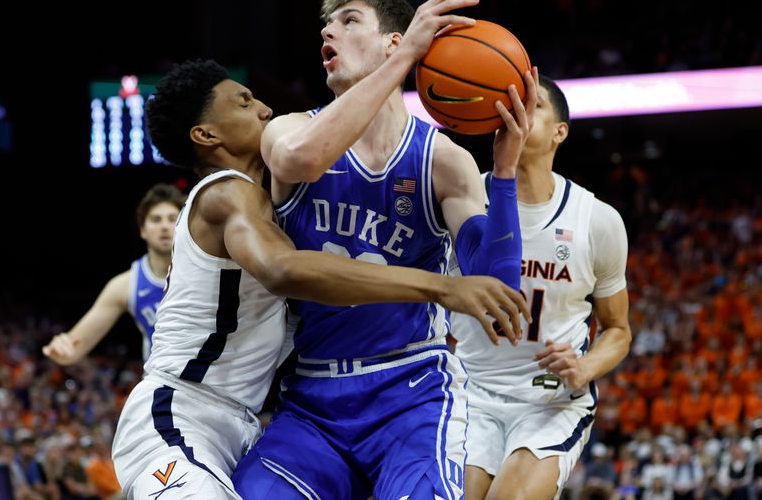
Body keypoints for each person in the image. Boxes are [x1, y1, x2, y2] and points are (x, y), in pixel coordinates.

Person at [111, 58, 528, 500]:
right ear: (207, 134)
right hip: (179, 412)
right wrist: (441, 286)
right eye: (245, 102)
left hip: (237, 427)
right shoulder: (225, 194)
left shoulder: (271, 204)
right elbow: (284, 271)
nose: (265, 110)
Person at [232, 0, 537, 499]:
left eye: (350, 20)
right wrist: (406, 63)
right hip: (311, 398)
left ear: (396, 41)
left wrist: (505, 172)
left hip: (412, 394)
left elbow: (497, 289)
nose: (329, 30)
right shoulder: (286, 130)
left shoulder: (442, 160)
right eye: (327, 24)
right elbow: (301, 160)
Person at [449, 75, 632, 500]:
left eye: (533, 106)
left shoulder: (598, 220)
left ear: (559, 132)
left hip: (549, 400)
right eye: (510, 103)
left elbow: (618, 330)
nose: (517, 111)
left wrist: (585, 368)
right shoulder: (461, 199)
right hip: (469, 392)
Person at [42, 183, 186, 365]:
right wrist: (62, 347)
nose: (165, 226)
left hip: (212, 382)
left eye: (172, 219)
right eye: (156, 219)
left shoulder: (208, 272)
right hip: (161, 384)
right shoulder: (126, 285)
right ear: (143, 230)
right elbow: (74, 347)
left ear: (184, 226)